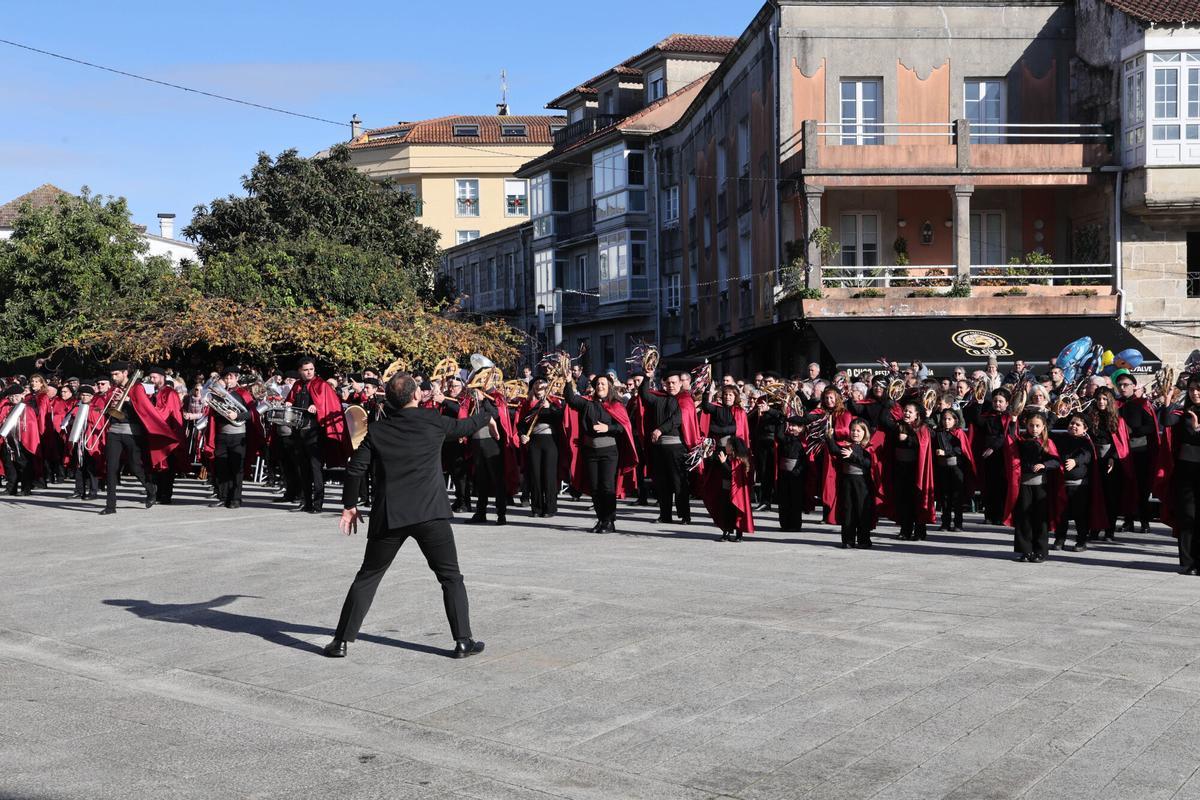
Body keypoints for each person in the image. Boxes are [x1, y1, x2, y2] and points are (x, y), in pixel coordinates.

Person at [323, 373, 493, 660]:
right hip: (430, 513)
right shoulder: (433, 421)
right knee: (450, 577)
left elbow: (354, 470)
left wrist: (350, 505)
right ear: (417, 395)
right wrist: (488, 410)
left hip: (390, 515)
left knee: (368, 577)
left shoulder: (377, 431)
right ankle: (463, 641)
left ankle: (340, 642)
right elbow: (469, 424)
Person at [562, 372, 638, 532]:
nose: (600, 386)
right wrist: (568, 381)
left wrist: (607, 428)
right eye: (597, 384)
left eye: (603, 384)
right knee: (595, 488)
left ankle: (610, 521)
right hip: (591, 452)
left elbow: (623, 427)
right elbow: (570, 399)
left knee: (607, 487)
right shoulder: (587, 403)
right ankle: (602, 519)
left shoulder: (616, 405)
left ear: (609, 386)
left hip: (609, 452)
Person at [284, 357, 351, 513]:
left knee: (316, 469)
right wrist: (288, 403)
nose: (309, 372)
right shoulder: (297, 385)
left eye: (311, 369)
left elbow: (331, 405)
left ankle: (317, 503)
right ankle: (306, 502)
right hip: (299, 432)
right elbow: (291, 402)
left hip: (315, 433)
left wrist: (317, 407)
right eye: (305, 369)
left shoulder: (322, 385)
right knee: (303, 469)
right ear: (300, 370)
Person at [639, 368, 700, 525]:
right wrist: (646, 377)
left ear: (680, 383)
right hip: (659, 448)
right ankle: (665, 515)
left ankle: (685, 515)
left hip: (676, 448)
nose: (671, 385)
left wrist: (660, 429)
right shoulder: (659, 398)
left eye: (674, 382)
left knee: (679, 482)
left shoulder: (685, 399)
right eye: (668, 383)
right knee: (662, 483)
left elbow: (677, 419)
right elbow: (644, 395)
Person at [1005, 411, 1064, 563]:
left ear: (1043, 426)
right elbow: (1011, 437)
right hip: (1024, 485)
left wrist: (1044, 464)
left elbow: (1056, 461)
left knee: (1040, 520)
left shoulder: (1047, 443)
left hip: (1040, 487)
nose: (1034, 428)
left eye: (1038, 425)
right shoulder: (1021, 440)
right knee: (1024, 519)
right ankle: (1026, 551)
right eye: (1031, 425)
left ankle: (1040, 551)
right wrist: (1013, 421)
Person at [1157, 376, 1200, 574]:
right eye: (1192, 389)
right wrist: (1167, 402)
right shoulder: (1183, 412)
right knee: (1187, 515)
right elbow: (1167, 420)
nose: (1195, 393)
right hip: (1185, 469)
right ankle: (1188, 562)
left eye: (1198, 389)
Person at [877, 399, 936, 541]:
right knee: (903, 500)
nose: (907, 413)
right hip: (900, 468)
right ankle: (905, 529)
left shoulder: (922, 428)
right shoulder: (899, 426)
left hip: (915, 469)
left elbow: (924, 444)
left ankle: (920, 530)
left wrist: (908, 439)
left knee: (916, 499)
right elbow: (884, 422)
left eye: (910, 411)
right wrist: (888, 404)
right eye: (905, 411)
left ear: (917, 414)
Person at [1114, 373, 1159, 534]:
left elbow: (1151, 427)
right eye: (1120, 385)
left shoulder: (1142, 404)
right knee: (1126, 487)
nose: (1123, 387)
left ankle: (1144, 521)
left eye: (1126, 384)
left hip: (1140, 451)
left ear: (1134, 386)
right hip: (1121, 452)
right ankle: (1128, 521)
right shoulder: (1116, 405)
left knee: (1142, 488)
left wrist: (1133, 431)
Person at [517, 376, 563, 518]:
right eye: (536, 383)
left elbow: (560, 419)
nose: (539, 386)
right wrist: (522, 435)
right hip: (534, 441)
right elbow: (521, 424)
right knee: (535, 475)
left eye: (542, 383)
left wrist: (550, 408)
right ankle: (536, 508)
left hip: (550, 440)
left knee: (548, 475)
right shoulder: (527, 403)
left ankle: (550, 508)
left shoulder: (554, 402)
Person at [831, 418, 877, 548]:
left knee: (862, 510)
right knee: (848, 510)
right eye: (853, 430)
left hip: (862, 483)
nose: (855, 433)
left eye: (858, 431)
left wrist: (853, 456)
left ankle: (864, 540)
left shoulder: (867, 447)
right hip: (847, 481)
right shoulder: (846, 445)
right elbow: (835, 452)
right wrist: (829, 438)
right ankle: (848, 540)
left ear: (864, 432)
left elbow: (868, 463)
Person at [1055, 413, 1095, 552]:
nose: (1073, 426)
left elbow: (1087, 455)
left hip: (1079, 486)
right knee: (1062, 515)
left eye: (1078, 425)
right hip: (1063, 485)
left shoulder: (1086, 441)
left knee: (1080, 515)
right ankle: (1060, 539)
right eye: (1072, 423)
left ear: (1085, 428)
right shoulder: (1061, 439)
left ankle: (1081, 541)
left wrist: (1075, 461)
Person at [704, 436, 754, 542]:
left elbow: (732, 474)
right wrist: (709, 456)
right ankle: (726, 532)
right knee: (725, 512)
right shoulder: (727, 456)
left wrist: (723, 463)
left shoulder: (740, 460)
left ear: (732, 447)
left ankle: (739, 534)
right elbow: (714, 467)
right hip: (725, 490)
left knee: (736, 512)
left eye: (727, 445)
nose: (725, 446)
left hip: (736, 492)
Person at [933, 408, 975, 532]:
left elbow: (960, 450)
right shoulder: (938, 432)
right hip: (943, 468)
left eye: (949, 419)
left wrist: (945, 452)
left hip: (956, 468)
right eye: (944, 419)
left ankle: (958, 523)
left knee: (957, 497)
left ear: (955, 420)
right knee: (945, 497)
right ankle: (945, 523)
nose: (946, 421)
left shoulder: (959, 433)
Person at [775, 414, 810, 531]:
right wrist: (781, 421)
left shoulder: (803, 442)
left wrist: (798, 470)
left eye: (793, 426)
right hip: (784, 473)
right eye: (790, 425)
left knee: (795, 500)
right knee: (784, 499)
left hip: (796, 475)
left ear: (801, 428)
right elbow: (779, 435)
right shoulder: (786, 438)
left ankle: (795, 525)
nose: (790, 428)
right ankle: (784, 524)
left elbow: (805, 460)